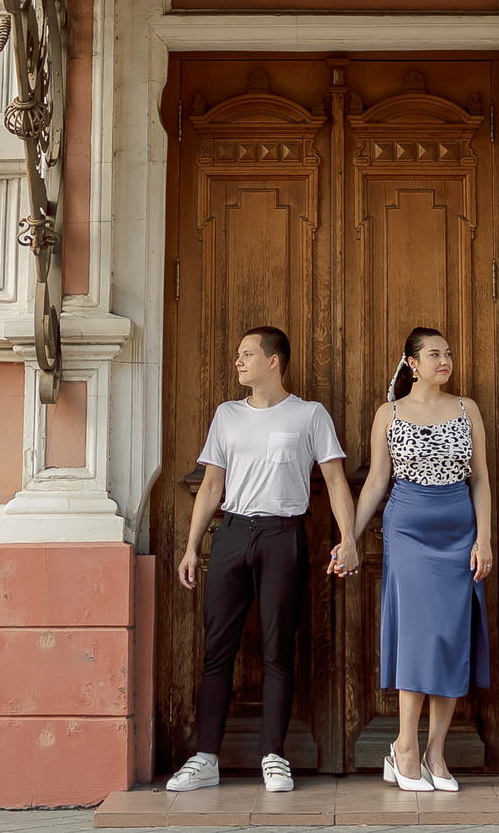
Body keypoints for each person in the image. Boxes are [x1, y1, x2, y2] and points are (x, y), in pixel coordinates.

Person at [167, 326, 360, 796]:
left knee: (278, 651)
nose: (238, 361)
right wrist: (193, 546)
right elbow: (212, 484)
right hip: (231, 534)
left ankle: (273, 756)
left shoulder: (309, 415)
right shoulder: (227, 415)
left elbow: (335, 481)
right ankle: (205, 757)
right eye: (238, 354)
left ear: (274, 361)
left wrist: (349, 539)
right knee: (217, 651)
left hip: (283, 536)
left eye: (246, 354)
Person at [351, 326, 493, 794]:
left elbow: (481, 481)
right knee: (417, 636)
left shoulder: (467, 408)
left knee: (451, 637)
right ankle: (405, 748)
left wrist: (484, 540)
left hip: (458, 532)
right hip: (408, 529)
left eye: (448, 353)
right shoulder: (388, 413)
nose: (445, 361)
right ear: (411, 362)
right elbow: (375, 482)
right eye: (434, 354)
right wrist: (349, 539)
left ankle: (435, 752)